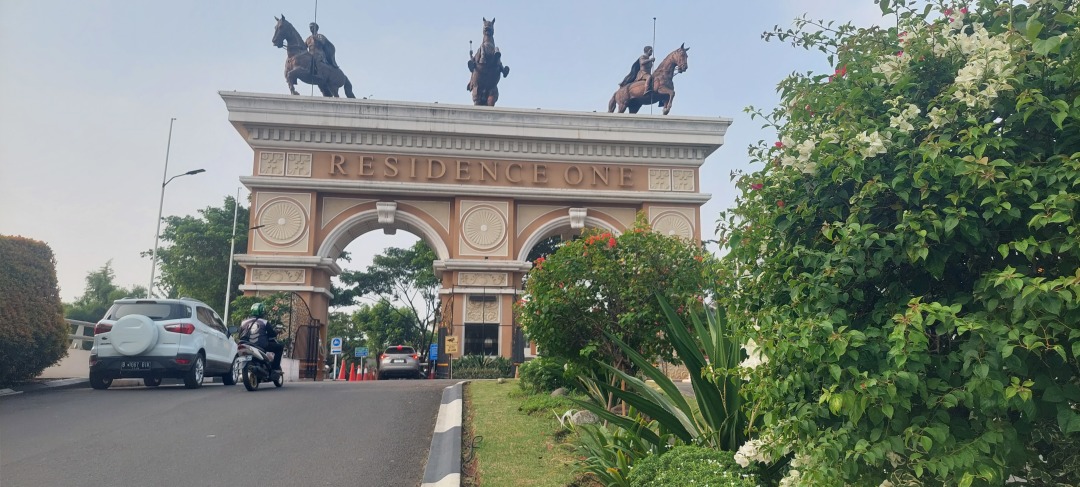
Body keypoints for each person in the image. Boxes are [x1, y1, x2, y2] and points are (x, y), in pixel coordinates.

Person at [239, 303, 283, 372]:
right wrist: (276, 331)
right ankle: (275, 368)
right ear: (262, 312)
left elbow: (240, 335)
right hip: (261, 345)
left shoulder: (243, 322)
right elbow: (272, 334)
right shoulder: (265, 322)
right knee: (280, 347)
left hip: (246, 344)